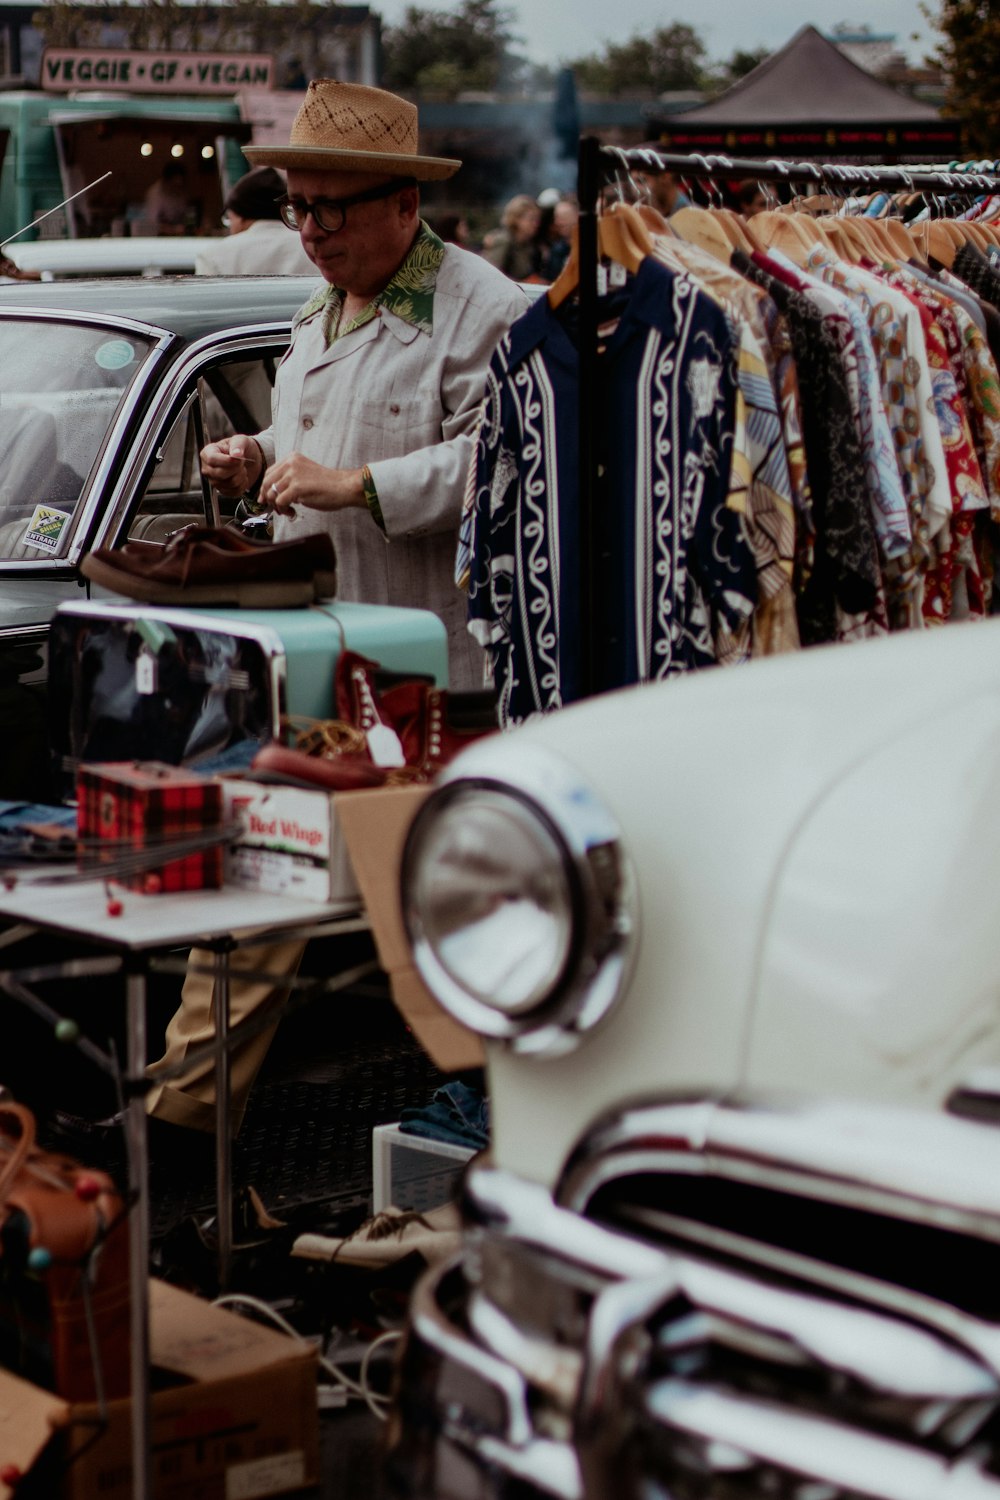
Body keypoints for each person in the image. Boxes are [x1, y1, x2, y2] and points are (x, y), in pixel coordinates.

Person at [140, 80, 527, 1145]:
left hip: (443, 677)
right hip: (329, 663)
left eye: (333, 209)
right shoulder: (320, 307)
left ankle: (479, 1115)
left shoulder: (489, 311)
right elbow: (304, 434)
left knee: (448, 909)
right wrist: (253, 455)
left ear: (404, 202)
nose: (310, 232)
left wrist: (354, 485)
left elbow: (497, 469)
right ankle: (178, 1112)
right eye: (298, 208)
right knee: (268, 880)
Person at [194, 166, 315, 275]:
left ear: (241, 215)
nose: (230, 227)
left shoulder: (214, 257)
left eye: (229, 218)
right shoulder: (313, 248)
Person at [480, 192, 544, 280]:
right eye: (531, 219)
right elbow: (489, 275)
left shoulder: (528, 245)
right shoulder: (504, 241)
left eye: (537, 219)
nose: (536, 224)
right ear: (516, 219)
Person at [143, 160, 192, 236]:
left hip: (178, 236)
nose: (177, 188)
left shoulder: (180, 191)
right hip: (158, 238)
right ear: (166, 181)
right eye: (174, 184)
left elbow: (186, 215)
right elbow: (151, 224)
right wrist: (173, 229)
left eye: (179, 185)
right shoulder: (154, 193)